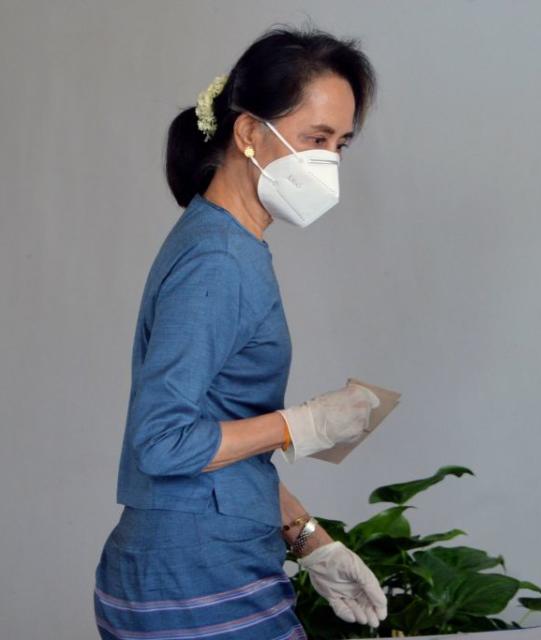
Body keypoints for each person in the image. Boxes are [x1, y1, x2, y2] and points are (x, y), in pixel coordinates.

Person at [93, 26, 387, 639]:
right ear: (251, 133)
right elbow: (163, 441)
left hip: (195, 565)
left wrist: (308, 539)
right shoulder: (219, 260)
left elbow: (217, 434)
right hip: (195, 578)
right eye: (315, 138)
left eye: (340, 144)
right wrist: (299, 424)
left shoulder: (228, 245)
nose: (328, 161)